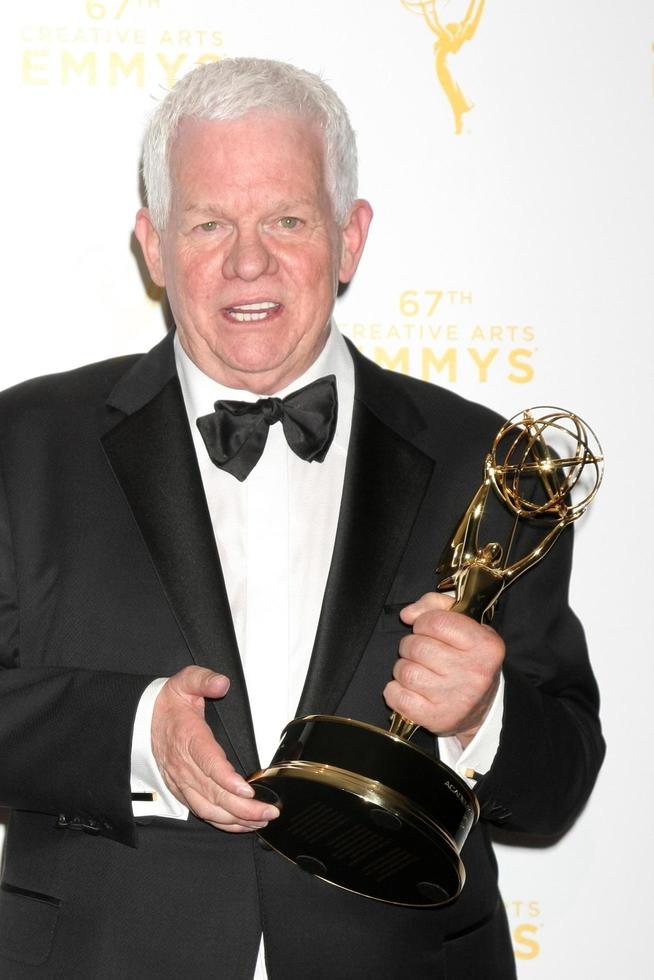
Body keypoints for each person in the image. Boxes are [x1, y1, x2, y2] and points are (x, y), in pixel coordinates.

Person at [0, 58, 603, 979]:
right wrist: (132, 731)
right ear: (153, 245)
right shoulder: (23, 445)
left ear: (350, 237)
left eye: (287, 219)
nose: (249, 262)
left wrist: (485, 716)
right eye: (209, 224)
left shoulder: (496, 463)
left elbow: (558, 786)